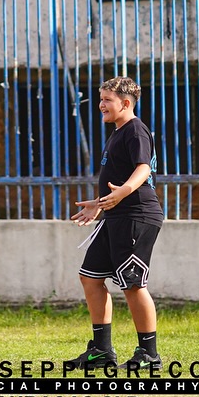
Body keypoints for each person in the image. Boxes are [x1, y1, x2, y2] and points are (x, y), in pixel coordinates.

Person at [67, 76, 162, 374]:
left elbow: (143, 167)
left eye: (107, 99)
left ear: (125, 103)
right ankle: (101, 350)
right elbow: (117, 176)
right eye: (101, 98)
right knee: (91, 278)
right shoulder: (118, 132)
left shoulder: (135, 130)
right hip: (115, 215)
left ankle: (149, 353)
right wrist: (101, 202)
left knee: (132, 284)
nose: (101, 105)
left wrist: (123, 192)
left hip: (137, 215)